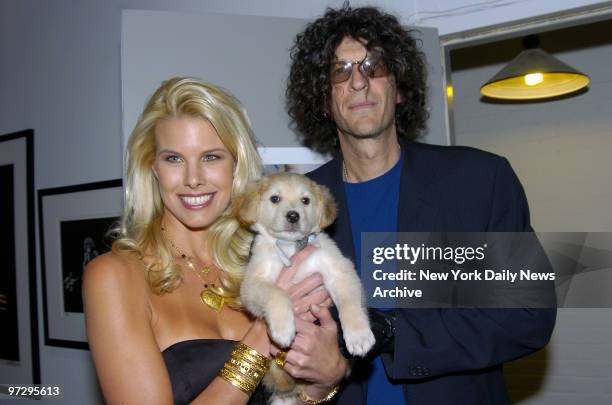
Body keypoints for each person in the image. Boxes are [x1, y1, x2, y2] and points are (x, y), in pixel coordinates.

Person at [286, 5, 557, 405]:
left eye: (373, 66)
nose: (358, 83)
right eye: (339, 72)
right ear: (324, 100)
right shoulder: (298, 203)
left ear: (400, 86)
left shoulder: (477, 181)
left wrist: (394, 330)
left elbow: (527, 315)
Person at [83, 77, 347, 405]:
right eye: (174, 159)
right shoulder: (116, 276)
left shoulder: (264, 263)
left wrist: (324, 384)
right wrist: (263, 332)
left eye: (211, 157)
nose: (193, 179)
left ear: (235, 165)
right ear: (152, 167)